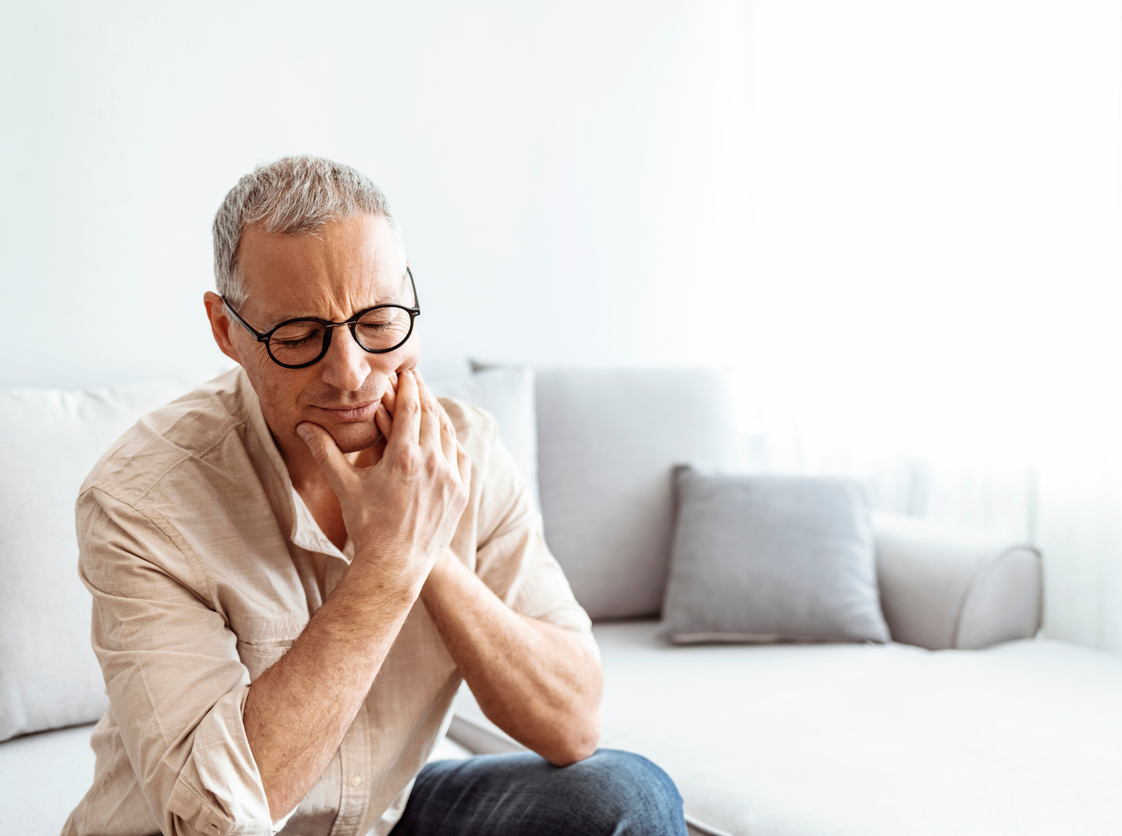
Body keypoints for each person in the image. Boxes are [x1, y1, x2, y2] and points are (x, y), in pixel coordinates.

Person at [62, 156, 687, 836]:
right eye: (300, 337)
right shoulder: (140, 502)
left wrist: (424, 546)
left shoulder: (463, 452)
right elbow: (218, 818)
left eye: (380, 322)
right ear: (227, 331)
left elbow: (571, 723)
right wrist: (387, 569)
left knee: (626, 795)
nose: (351, 374)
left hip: (379, 818)